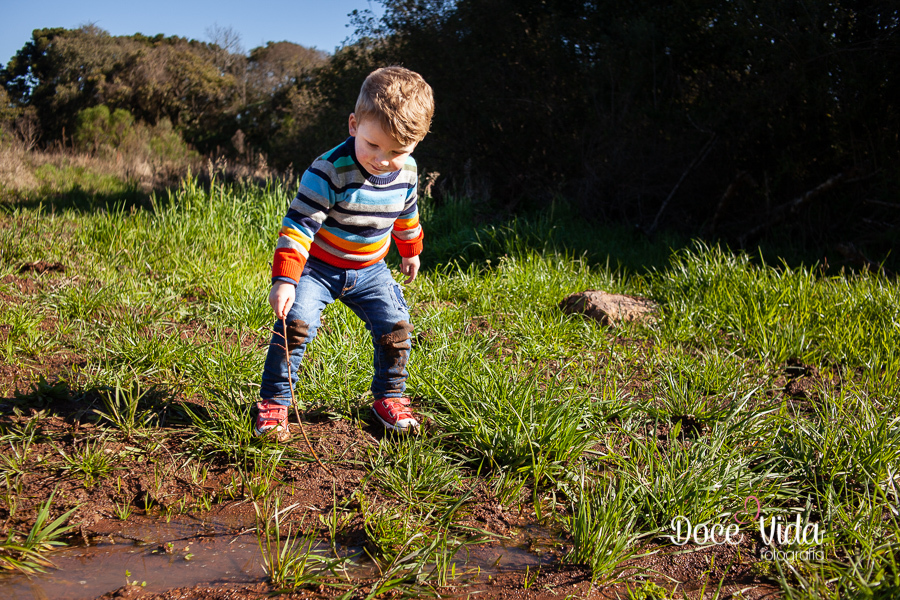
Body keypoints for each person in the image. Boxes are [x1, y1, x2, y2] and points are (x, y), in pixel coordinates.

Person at [254, 66, 434, 441]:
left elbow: (407, 211)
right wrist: (285, 280)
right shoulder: (329, 171)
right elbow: (299, 226)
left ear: (416, 143)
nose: (383, 160)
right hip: (318, 268)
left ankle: (390, 398)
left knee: (396, 327)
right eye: (372, 145)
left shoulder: (408, 171)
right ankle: (274, 402)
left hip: (372, 269)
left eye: (398, 151)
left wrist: (411, 249)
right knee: (296, 323)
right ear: (354, 125)